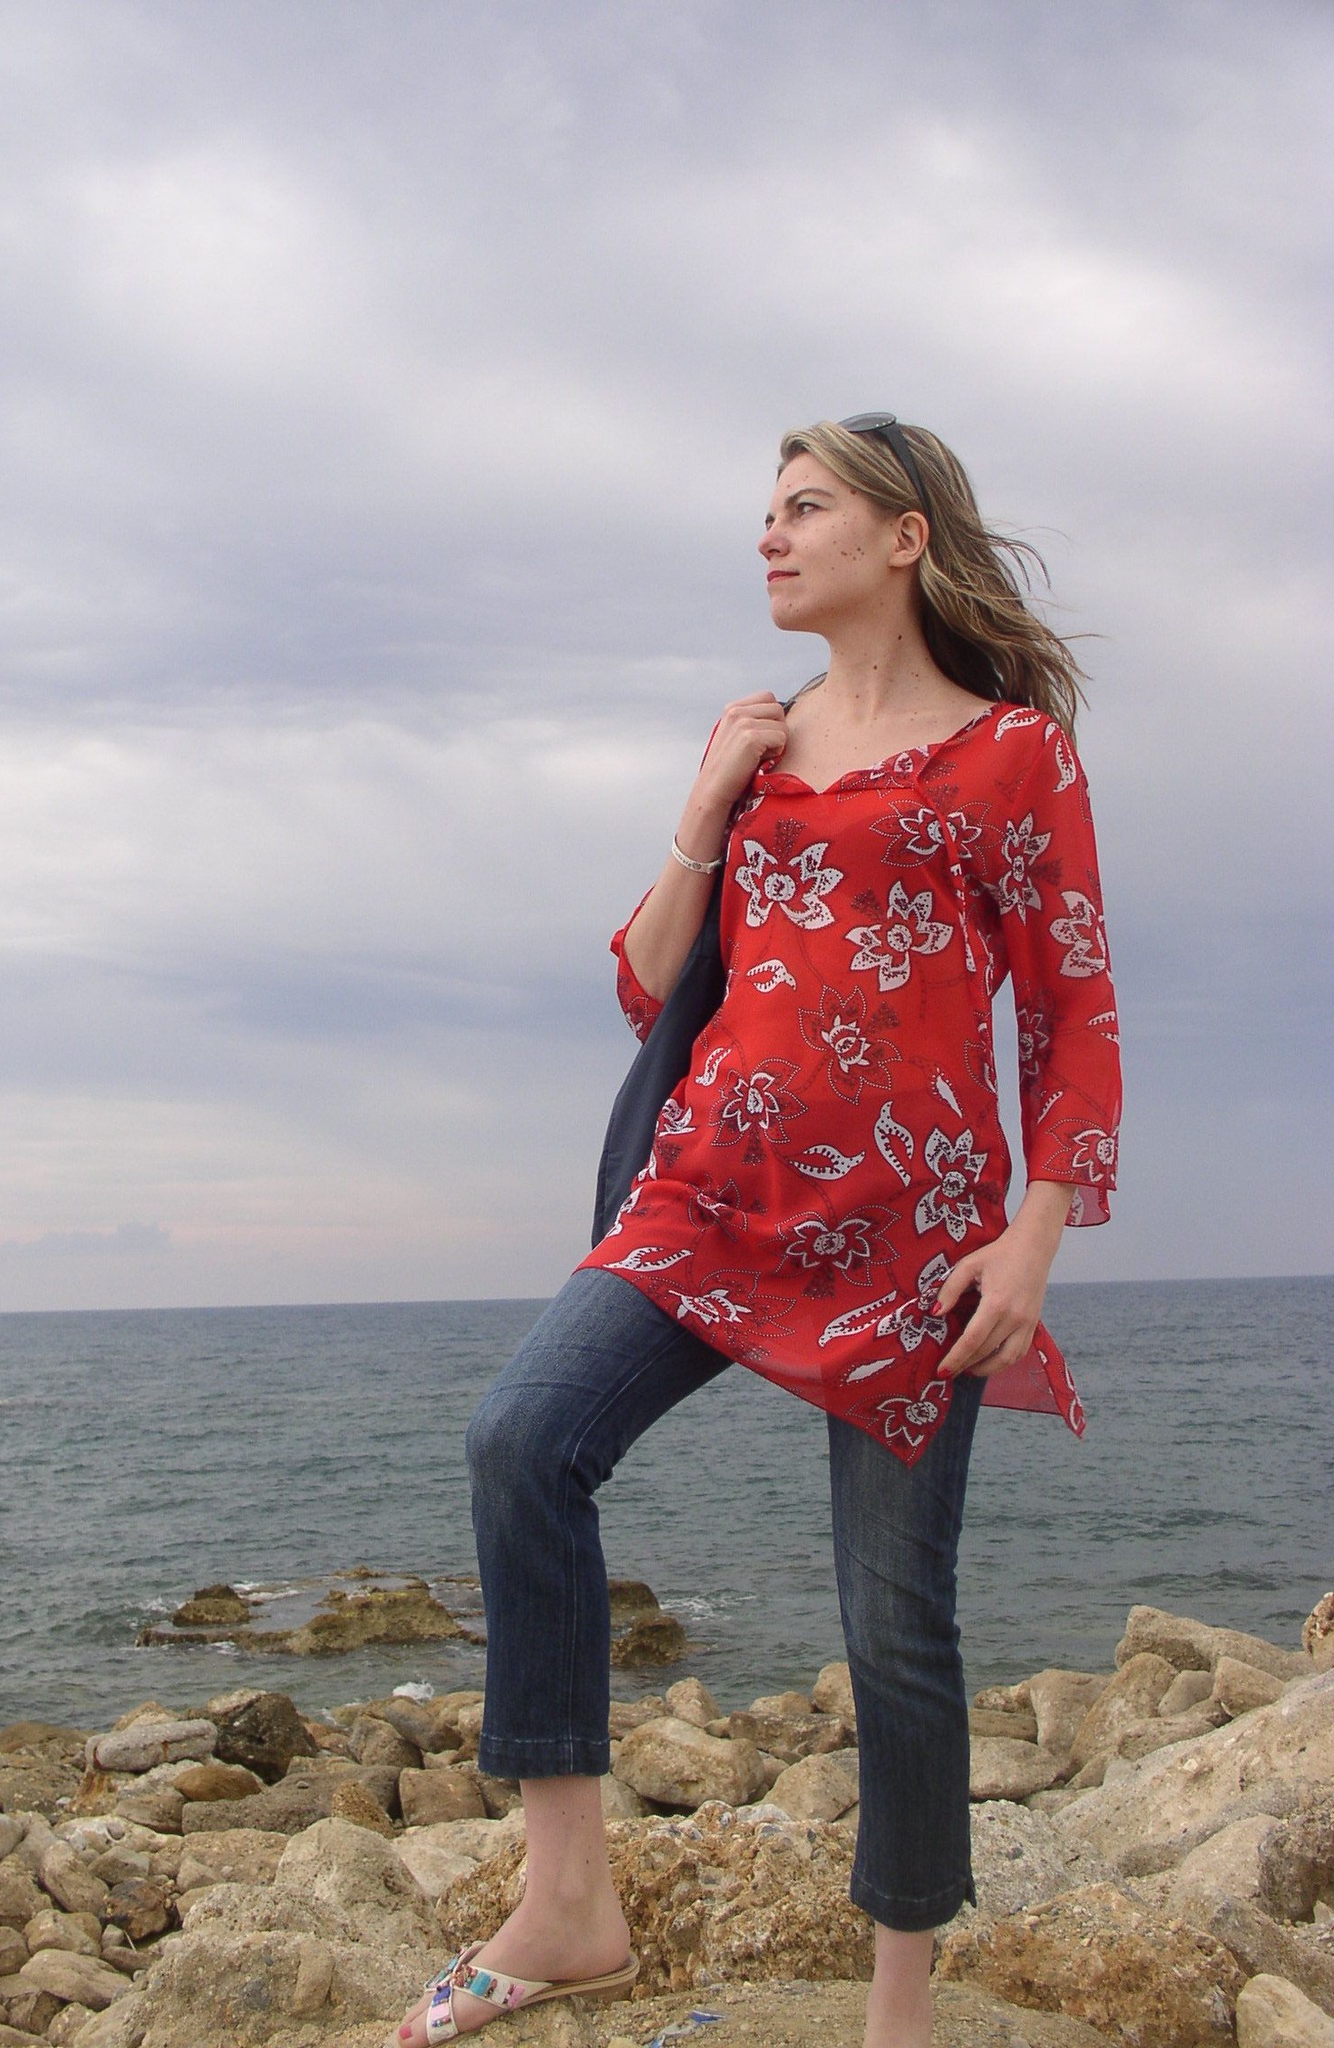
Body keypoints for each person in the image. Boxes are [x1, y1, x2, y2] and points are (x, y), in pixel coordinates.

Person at [386, 416, 1123, 2048]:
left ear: (906, 535)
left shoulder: (1015, 754)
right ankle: (568, 1903)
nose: (770, 536)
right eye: (767, 512)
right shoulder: (763, 742)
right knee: (522, 1440)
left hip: (917, 1238)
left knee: (896, 1623)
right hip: (710, 1193)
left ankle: (899, 2004)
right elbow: (652, 978)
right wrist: (706, 803)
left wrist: (1035, 1236)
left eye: (805, 507)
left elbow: (1073, 1006)